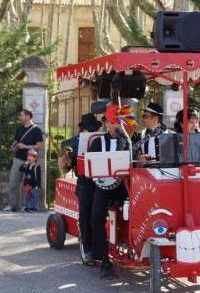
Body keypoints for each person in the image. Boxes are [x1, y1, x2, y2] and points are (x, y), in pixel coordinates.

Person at [88, 104, 130, 279]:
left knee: (133, 212)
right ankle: (103, 259)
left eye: (120, 123)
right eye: (114, 123)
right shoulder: (97, 142)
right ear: (107, 124)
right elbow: (91, 165)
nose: (117, 126)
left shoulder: (126, 141)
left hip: (122, 187)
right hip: (102, 187)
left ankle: (131, 248)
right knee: (96, 217)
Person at [58, 113, 102, 266]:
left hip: (103, 180)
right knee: (85, 215)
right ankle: (87, 249)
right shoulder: (70, 143)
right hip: (85, 182)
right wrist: (63, 161)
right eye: (89, 129)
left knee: (99, 215)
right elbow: (65, 170)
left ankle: (103, 247)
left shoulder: (102, 139)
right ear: (82, 129)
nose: (91, 132)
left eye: (93, 129)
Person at [4, 109, 43, 212]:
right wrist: (14, 146)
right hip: (18, 158)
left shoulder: (37, 130)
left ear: (27, 116)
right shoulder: (20, 129)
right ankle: (12, 206)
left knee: (29, 185)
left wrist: (25, 146)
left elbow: (39, 146)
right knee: (13, 183)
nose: (19, 117)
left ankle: (29, 206)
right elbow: (16, 141)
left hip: (30, 160)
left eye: (21, 115)